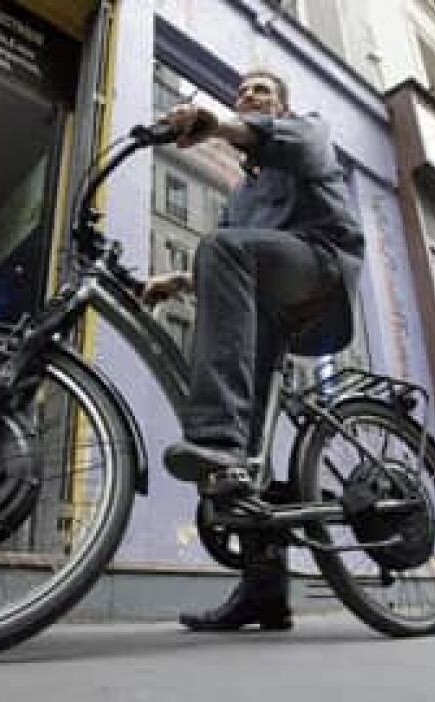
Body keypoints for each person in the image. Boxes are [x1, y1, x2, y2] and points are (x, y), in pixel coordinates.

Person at [141, 69, 365, 631]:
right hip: (270, 303)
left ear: (280, 106)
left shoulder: (304, 131)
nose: (249, 96)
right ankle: (264, 593)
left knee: (224, 438)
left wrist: (216, 122)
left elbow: (233, 249)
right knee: (251, 453)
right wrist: (181, 280)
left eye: (261, 91)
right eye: (242, 92)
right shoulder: (243, 195)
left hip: (323, 268)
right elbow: (236, 261)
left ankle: (215, 438)